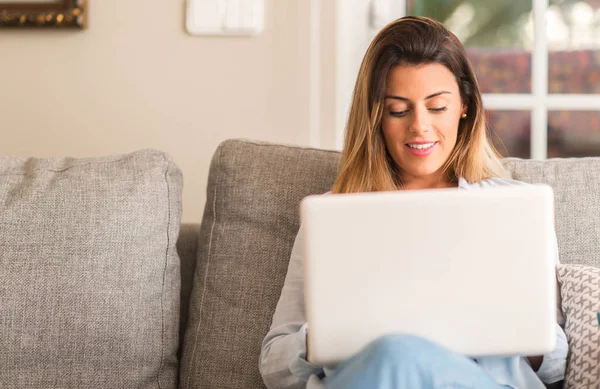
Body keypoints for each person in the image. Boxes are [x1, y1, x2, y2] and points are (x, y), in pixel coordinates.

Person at [259, 16, 568, 389]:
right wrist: (328, 333)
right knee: (393, 354)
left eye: (436, 107)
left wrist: (518, 323)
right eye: (398, 110)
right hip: (367, 377)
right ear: (375, 117)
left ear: (465, 106)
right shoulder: (333, 216)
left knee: (399, 355)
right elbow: (274, 368)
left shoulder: (515, 209)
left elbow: (555, 368)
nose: (419, 126)